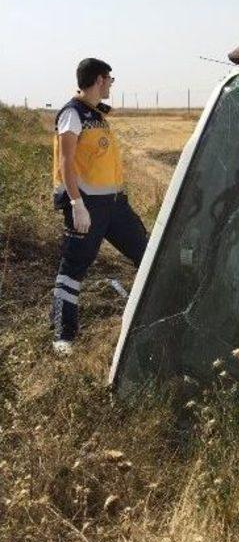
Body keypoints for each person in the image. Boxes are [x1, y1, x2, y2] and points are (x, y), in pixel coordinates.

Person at [51, 58, 148, 356]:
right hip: (88, 206)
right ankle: (63, 335)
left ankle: (150, 314)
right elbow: (66, 162)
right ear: (99, 80)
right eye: (110, 80)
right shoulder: (73, 113)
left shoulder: (97, 115)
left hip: (115, 206)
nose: (111, 85)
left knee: (146, 253)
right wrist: (77, 204)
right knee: (73, 268)